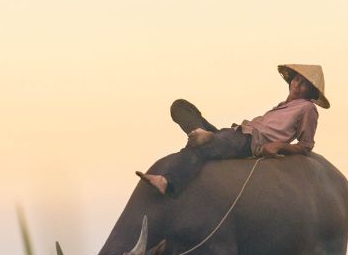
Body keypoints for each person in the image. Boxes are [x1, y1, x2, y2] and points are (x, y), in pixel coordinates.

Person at [135, 64, 329, 196]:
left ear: (310, 91)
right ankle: (206, 135)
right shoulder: (283, 105)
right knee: (180, 106)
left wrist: (278, 145)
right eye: (296, 79)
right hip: (234, 133)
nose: (297, 85)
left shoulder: (307, 108)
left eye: (303, 84)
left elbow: (306, 145)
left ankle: (168, 182)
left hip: (249, 141)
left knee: (201, 149)